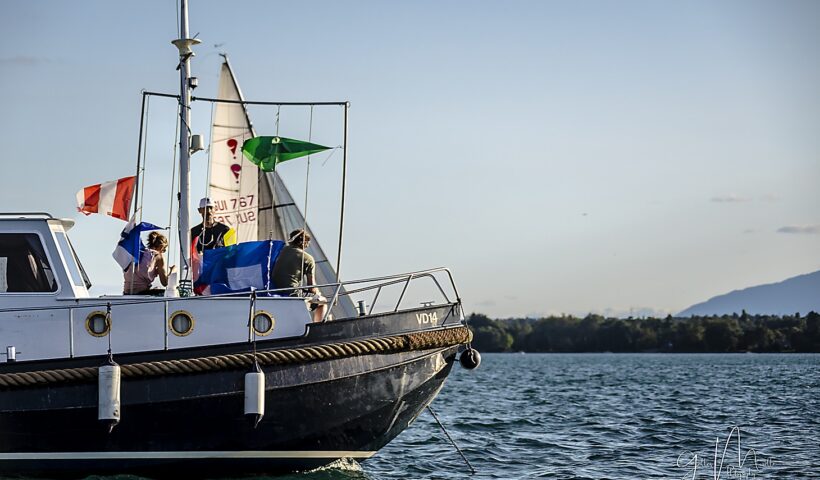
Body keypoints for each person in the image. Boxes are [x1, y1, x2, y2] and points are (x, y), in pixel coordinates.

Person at [270, 229, 327, 323]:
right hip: (292, 294)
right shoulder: (308, 258)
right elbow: (311, 287)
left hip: (275, 289)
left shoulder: (281, 251)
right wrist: (318, 294)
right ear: (305, 243)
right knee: (323, 302)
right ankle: (318, 326)